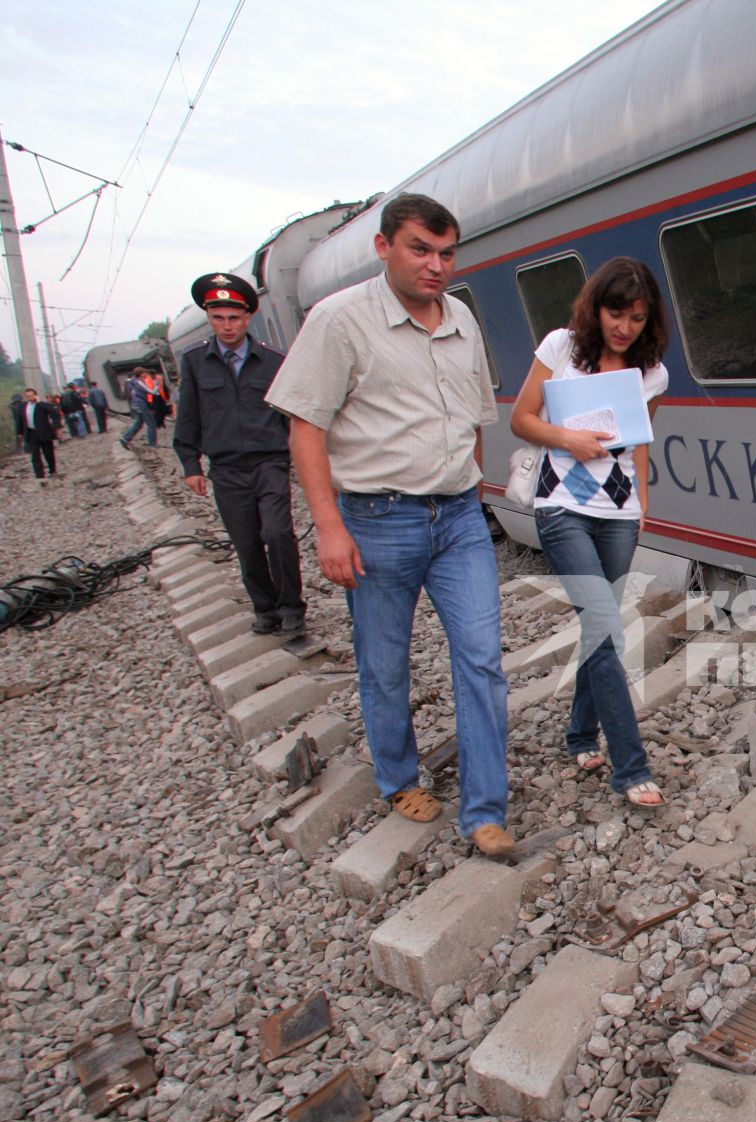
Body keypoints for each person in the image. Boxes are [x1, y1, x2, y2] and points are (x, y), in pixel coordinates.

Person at [266, 192, 517, 860]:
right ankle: (398, 776)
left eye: (446, 252)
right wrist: (328, 526)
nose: (435, 265)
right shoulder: (339, 321)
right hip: (378, 520)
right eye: (420, 249)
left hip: (459, 517)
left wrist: (475, 485)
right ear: (385, 247)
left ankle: (485, 809)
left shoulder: (460, 317)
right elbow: (306, 425)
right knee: (385, 663)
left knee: (482, 659)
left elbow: (473, 417)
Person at [509, 257, 667, 808]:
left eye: (637, 319)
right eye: (616, 313)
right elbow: (521, 418)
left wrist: (643, 501)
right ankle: (630, 767)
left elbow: (642, 439)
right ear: (595, 307)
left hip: (619, 514)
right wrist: (567, 439)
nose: (625, 327)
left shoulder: (653, 374)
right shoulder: (560, 349)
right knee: (605, 628)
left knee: (599, 631)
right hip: (562, 509)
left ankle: (579, 735)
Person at [173, 271, 306, 636]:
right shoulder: (196, 362)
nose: (227, 326)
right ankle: (266, 610)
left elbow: (293, 414)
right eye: (218, 318)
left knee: (278, 533)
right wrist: (190, 464)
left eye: (234, 318)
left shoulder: (273, 361)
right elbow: (189, 415)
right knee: (246, 543)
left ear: (248, 318)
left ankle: (292, 607)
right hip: (227, 469)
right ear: (209, 318)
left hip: (270, 462)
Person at [19, 388, 61, 480]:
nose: (29, 398)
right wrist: (20, 433)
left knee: (48, 453)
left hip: (44, 432)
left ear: (35, 395)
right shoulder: (23, 406)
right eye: (27, 396)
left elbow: (54, 412)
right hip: (31, 433)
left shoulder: (41, 405)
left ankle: (52, 470)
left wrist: (56, 427)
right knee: (35, 455)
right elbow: (20, 421)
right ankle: (39, 475)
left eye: (31, 396)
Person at [120, 368, 156, 446]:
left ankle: (125, 438)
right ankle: (152, 444)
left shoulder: (133, 381)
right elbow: (151, 392)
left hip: (135, 404)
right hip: (141, 404)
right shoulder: (139, 382)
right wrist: (157, 385)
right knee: (151, 423)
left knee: (139, 422)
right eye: (145, 372)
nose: (146, 374)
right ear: (141, 373)